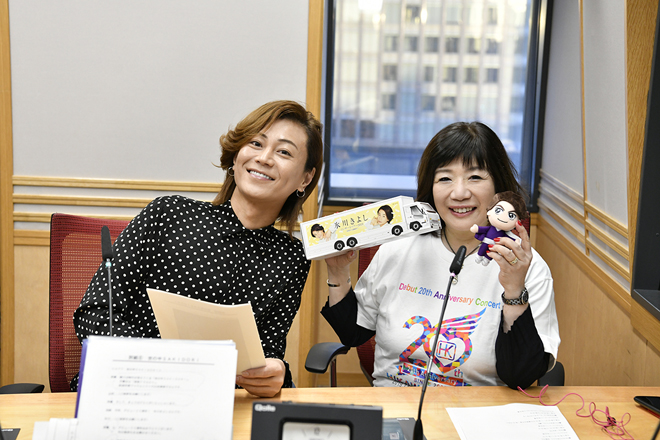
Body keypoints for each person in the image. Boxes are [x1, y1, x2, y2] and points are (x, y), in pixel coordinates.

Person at [74, 100, 323, 397]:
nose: (264, 158)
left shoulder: (291, 257)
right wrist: (163, 371)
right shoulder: (169, 214)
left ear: (306, 178)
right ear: (236, 156)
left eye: (284, 152)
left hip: (217, 403)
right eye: (256, 143)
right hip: (129, 391)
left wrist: (275, 372)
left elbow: (267, 351)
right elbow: (94, 314)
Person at [321, 121, 559, 388]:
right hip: (395, 404)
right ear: (430, 187)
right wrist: (337, 270)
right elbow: (353, 333)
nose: (459, 193)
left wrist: (514, 290)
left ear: (498, 188)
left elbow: (520, 376)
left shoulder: (527, 267)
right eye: (445, 178)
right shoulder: (397, 249)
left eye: (475, 177)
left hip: (477, 409)